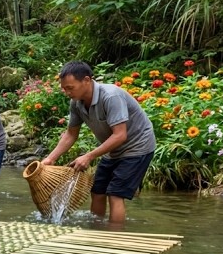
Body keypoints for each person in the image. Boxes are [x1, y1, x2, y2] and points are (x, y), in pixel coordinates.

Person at [42, 61, 157, 223]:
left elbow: (120, 135)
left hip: (137, 147)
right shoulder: (76, 103)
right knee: (97, 191)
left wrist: (88, 156)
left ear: (86, 80)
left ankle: (113, 235)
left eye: (70, 88)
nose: (67, 92)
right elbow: (71, 134)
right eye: (64, 88)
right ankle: (96, 228)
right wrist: (50, 159)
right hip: (113, 150)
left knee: (115, 194)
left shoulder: (111, 96)